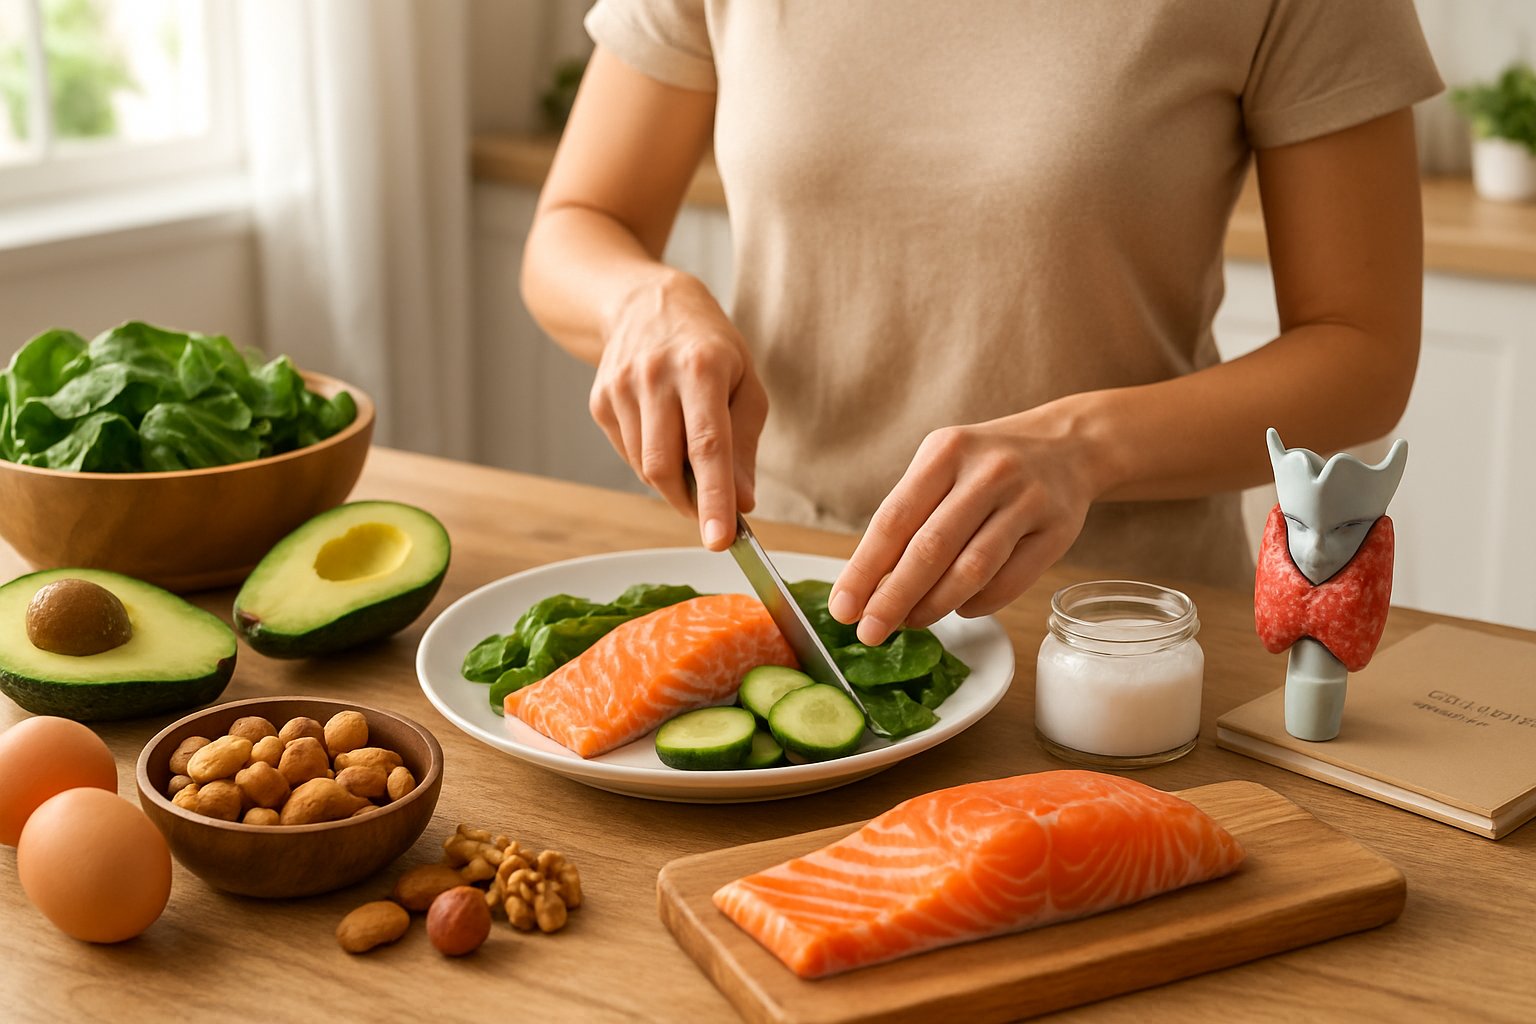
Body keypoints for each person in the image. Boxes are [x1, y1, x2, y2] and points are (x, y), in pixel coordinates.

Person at [520, 1, 1442, 647]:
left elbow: (1362, 353)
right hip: (771, 577)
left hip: (1109, 622)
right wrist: (642, 300)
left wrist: (1082, 447)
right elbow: (574, 228)